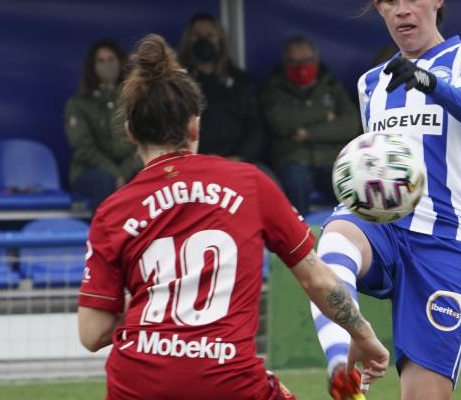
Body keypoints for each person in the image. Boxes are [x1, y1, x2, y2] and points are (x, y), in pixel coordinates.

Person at [77, 33, 389, 400]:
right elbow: (318, 280)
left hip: (137, 384)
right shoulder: (249, 184)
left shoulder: (113, 210)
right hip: (227, 380)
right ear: (195, 125)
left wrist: (155, 296)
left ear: (129, 132)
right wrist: (364, 336)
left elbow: (92, 333)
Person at [311, 0, 461, 399]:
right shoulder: (370, 83)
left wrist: (430, 82)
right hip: (381, 222)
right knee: (334, 238)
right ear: (378, 7)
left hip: (442, 241)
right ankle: (344, 360)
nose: (403, 10)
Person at [261, 35, 362, 216]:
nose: (301, 67)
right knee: (296, 183)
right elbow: (282, 121)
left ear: (316, 60)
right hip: (293, 158)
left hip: (332, 158)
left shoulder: (330, 85)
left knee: (356, 187)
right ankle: (301, 239)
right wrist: (326, 117)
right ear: (285, 63)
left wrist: (308, 132)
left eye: (307, 61)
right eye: (294, 62)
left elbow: (351, 123)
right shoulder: (273, 86)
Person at [177, 12, 267, 164]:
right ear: (188, 40)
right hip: (191, 163)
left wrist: (240, 157)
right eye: (197, 35)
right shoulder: (176, 82)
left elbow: (256, 128)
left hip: (236, 162)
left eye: (209, 35)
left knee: (273, 185)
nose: (203, 40)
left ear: (219, 41)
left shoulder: (241, 81)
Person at [64, 39, 141, 211]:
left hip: (130, 167)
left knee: (146, 177)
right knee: (103, 182)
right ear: (92, 66)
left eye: (111, 59)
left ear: (121, 62)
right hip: (89, 170)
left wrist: (124, 172)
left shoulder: (135, 100)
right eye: (101, 61)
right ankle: (106, 237)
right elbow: (83, 148)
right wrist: (116, 174)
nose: (107, 65)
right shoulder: (78, 104)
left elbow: (143, 142)